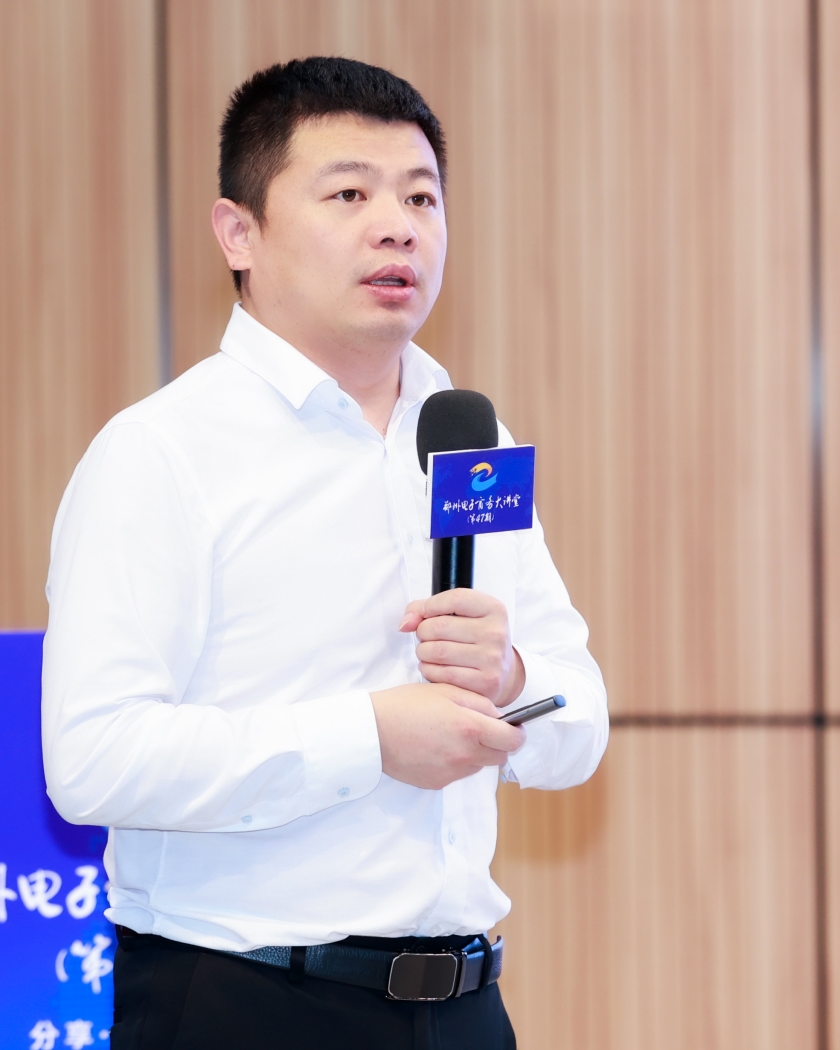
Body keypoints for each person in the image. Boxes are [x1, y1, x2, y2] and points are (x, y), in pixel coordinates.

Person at [42, 56, 607, 1050]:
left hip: (465, 1010)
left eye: (421, 197)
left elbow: (579, 726)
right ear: (239, 233)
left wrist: (511, 677)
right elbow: (93, 762)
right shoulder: (162, 453)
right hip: (250, 1003)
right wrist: (370, 738)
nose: (398, 226)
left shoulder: (467, 438)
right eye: (349, 194)